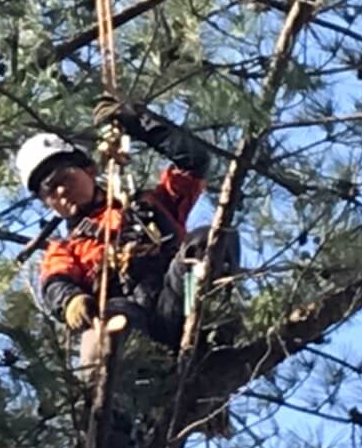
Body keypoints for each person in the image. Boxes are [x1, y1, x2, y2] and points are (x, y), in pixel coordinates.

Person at [15, 99, 235, 365]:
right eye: (49, 191)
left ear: (90, 170)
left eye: (64, 179)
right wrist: (70, 301)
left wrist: (138, 122)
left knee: (209, 239)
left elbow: (194, 161)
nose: (60, 192)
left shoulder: (152, 204)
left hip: (177, 299)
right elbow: (55, 282)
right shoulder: (66, 249)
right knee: (109, 323)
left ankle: (212, 324)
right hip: (129, 323)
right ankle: (117, 391)